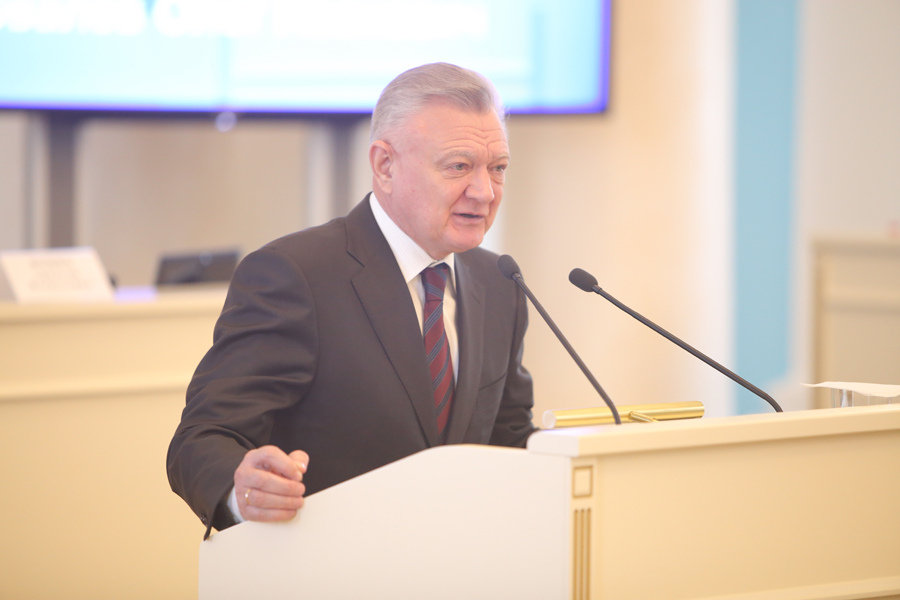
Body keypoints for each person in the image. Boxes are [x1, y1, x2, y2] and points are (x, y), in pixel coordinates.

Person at [167, 63, 537, 539]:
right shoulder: (295, 274)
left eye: (498, 168)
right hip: (322, 562)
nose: (484, 192)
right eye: (458, 167)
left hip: (458, 559)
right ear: (385, 165)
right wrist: (242, 492)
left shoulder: (499, 283)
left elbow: (508, 440)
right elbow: (201, 439)